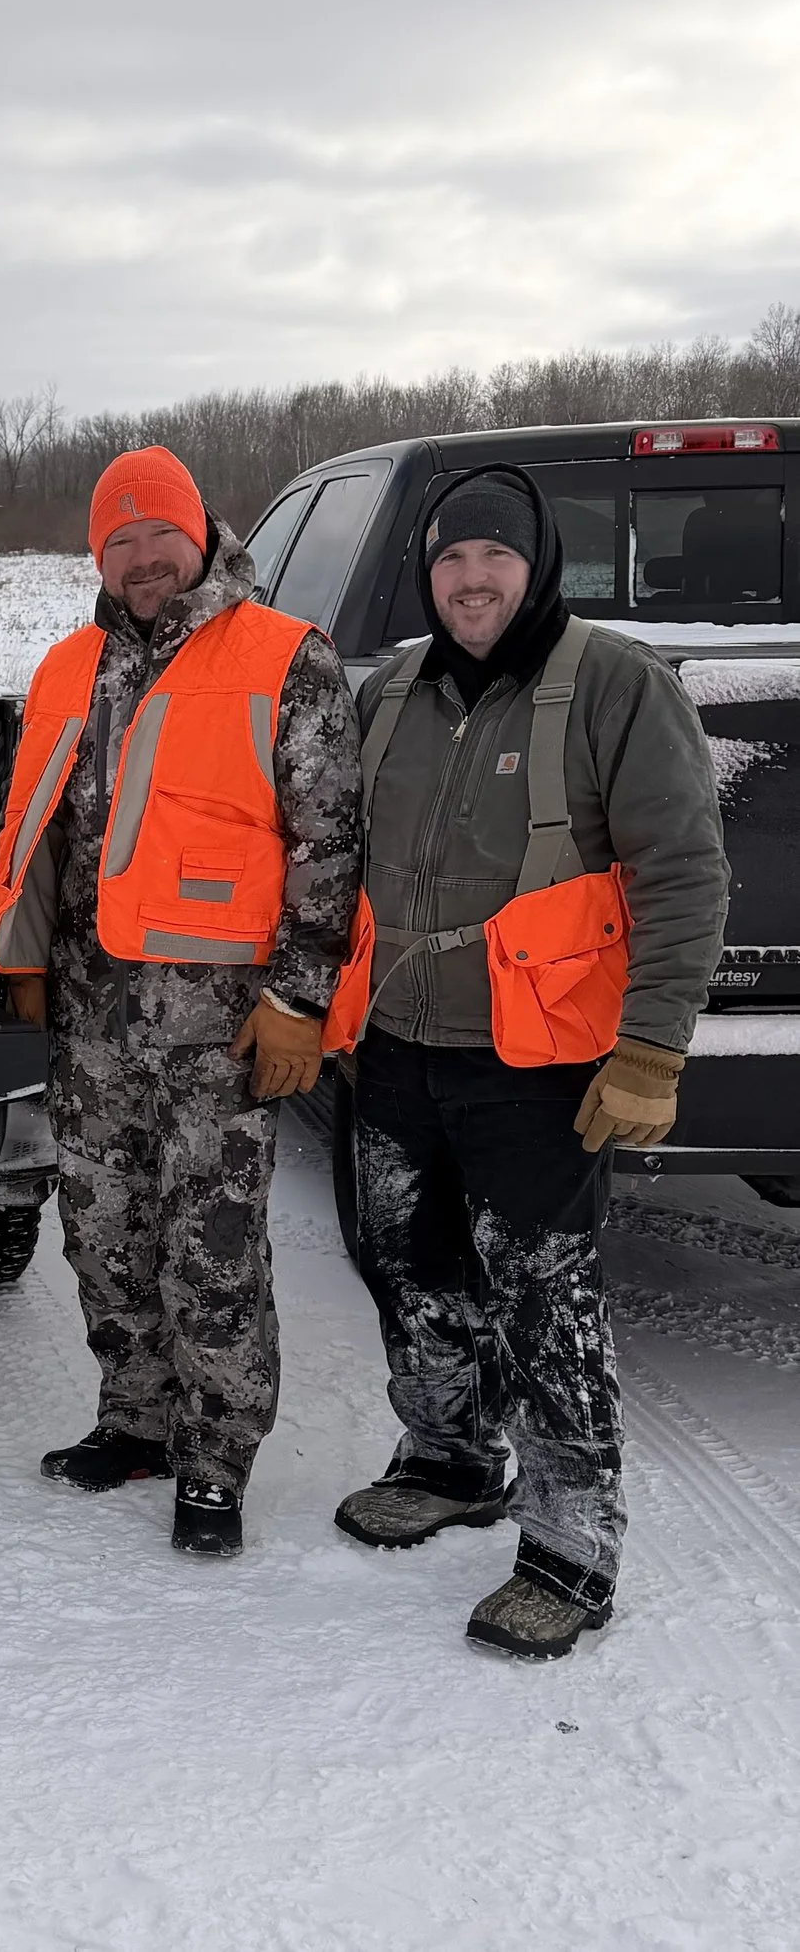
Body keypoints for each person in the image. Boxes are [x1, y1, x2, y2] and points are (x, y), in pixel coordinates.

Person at [332, 466, 727, 1659]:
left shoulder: (614, 683)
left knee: (542, 1303)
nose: (470, 579)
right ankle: (449, 1457)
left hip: (539, 1060)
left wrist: (649, 1048)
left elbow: (682, 871)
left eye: (494, 555)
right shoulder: (390, 690)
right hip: (394, 1043)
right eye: (449, 557)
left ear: (538, 562)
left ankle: (569, 1544)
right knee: (408, 1267)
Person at [0, 446, 361, 1554]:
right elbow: (33, 822)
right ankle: (137, 1420)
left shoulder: (286, 656)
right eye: (120, 541)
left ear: (201, 534)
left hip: (222, 1025)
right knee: (103, 1229)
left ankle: (215, 1455)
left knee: (211, 1246)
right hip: (91, 1016)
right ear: (95, 554)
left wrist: (299, 998)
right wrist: (21, 953)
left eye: (161, 536)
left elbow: (330, 845)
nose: (143, 558)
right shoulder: (68, 665)